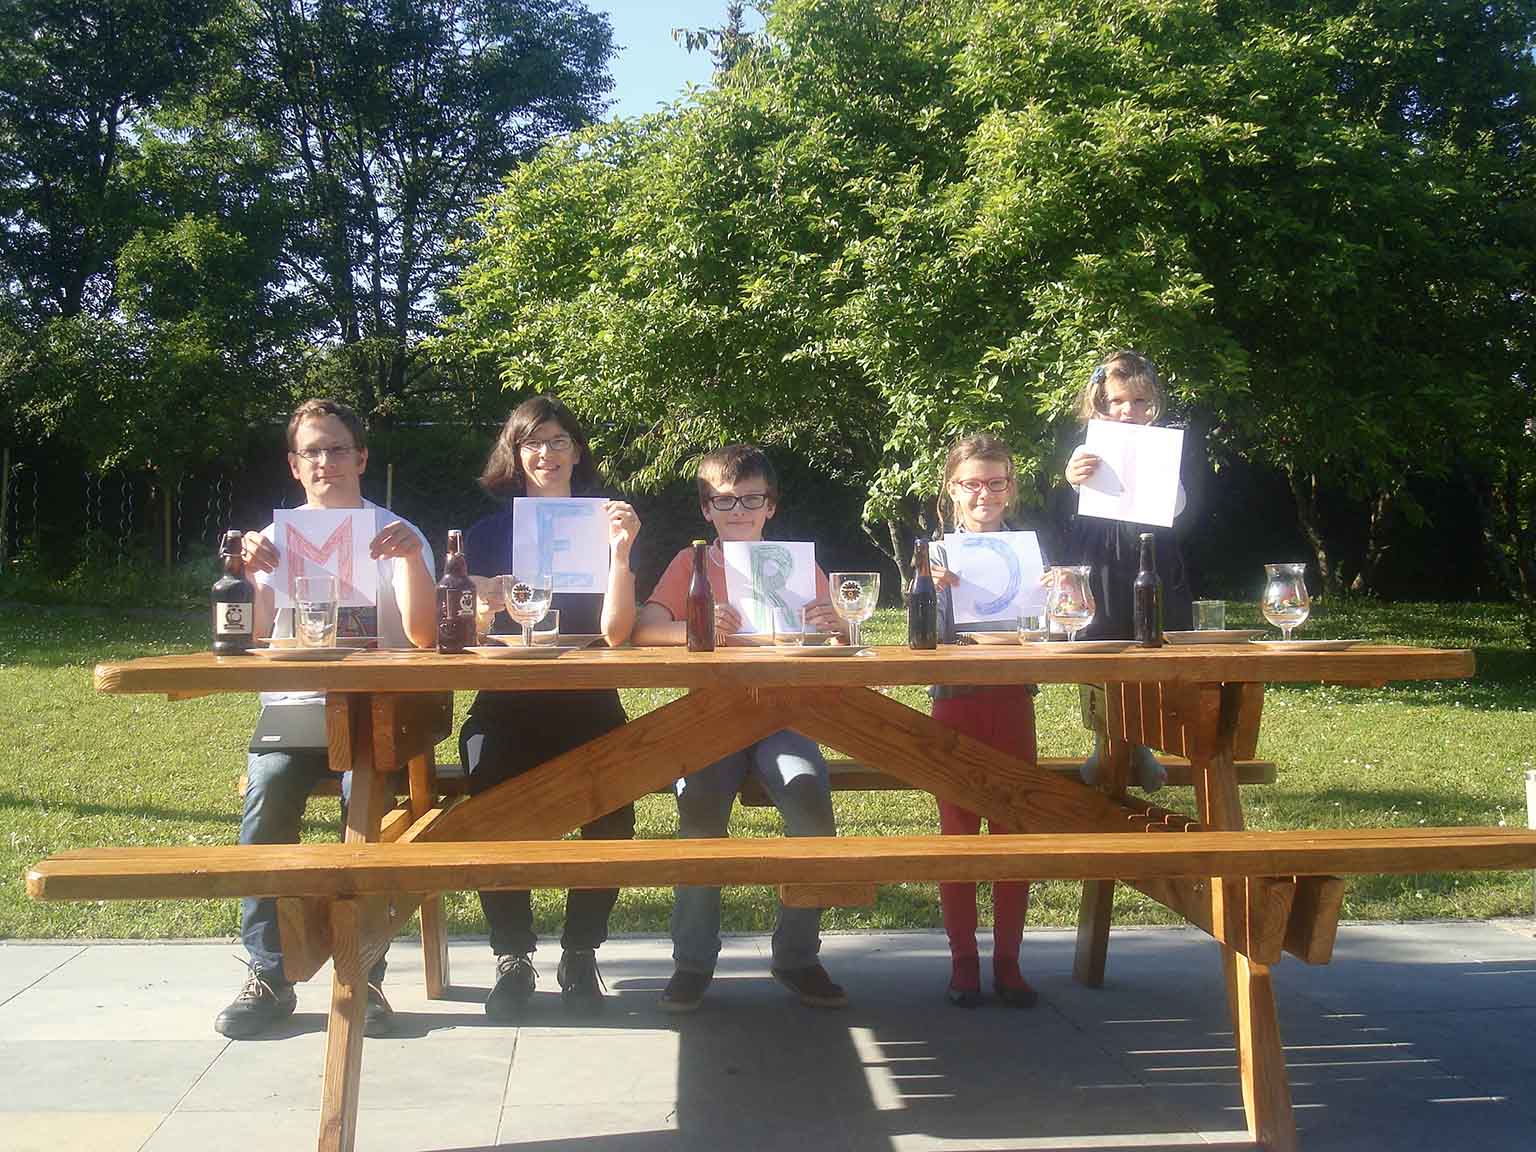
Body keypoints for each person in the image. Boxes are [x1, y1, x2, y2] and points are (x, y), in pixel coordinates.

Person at [216, 398, 436, 1040]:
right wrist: (249, 576)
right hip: (294, 708)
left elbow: (424, 636)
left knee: (361, 813)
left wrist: (414, 561)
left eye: (337, 449)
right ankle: (267, 972)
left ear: (361, 457)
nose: (325, 462)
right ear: (294, 464)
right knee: (266, 797)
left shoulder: (397, 530)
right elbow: (254, 636)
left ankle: (363, 973)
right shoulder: (275, 537)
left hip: (374, 710)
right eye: (312, 451)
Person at [633, 444, 847, 1013]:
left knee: (808, 793)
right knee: (699, 808)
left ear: (770, 506)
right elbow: (645, 630)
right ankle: (692, 961)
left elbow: (842, 636)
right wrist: (694, 627)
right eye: (724, 501)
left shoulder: (797, 564)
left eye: (750, 500)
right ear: (706, 509)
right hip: (712, 715)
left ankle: (798, 954)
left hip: (784, 716)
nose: (738, 510)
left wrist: (834, 623)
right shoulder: (693, 563)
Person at [459, 395, 641, 1019]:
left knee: (614, 812)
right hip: (506, 702)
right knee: (490, 809)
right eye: (532, 442)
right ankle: (512, 958)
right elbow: (468, 635)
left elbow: (619, 633)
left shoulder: (607, 523)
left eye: (559, 440)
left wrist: (621, 554)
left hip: (589, 701)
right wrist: (483, 603)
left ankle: (581, 952)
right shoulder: (485, 535)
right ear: (514, 454)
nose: (546, 453)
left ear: (577, 450)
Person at [928, 433, 1040, 1009]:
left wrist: (1059, 596)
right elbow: (923, 641)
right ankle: (964, 961)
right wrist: (931, 590)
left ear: (1010, 489)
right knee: (958, 837)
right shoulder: (935, 554)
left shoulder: (1032, 555)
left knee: (1014, 832)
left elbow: (1053, 633)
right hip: (955, 703)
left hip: (1013, 700)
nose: (984, 494)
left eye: (996, 483)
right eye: (972, 483)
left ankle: (1009, 961)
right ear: (952, 490)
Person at [1060, 350, 1194, 791]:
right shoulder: (1088, 445)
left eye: (1138, 402)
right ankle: (1106, 742)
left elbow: (1178, 506)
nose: (1128, 411)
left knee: (1150, 639)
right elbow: (1068, 500)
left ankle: (1140, 741)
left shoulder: (1165, 444)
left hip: (1150, 555)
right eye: (1118, 401)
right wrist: (1072, 475)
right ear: (1100, 401)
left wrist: (1163, 479)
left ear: (1152, 402)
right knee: (1100, 641)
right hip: (1099, 557)